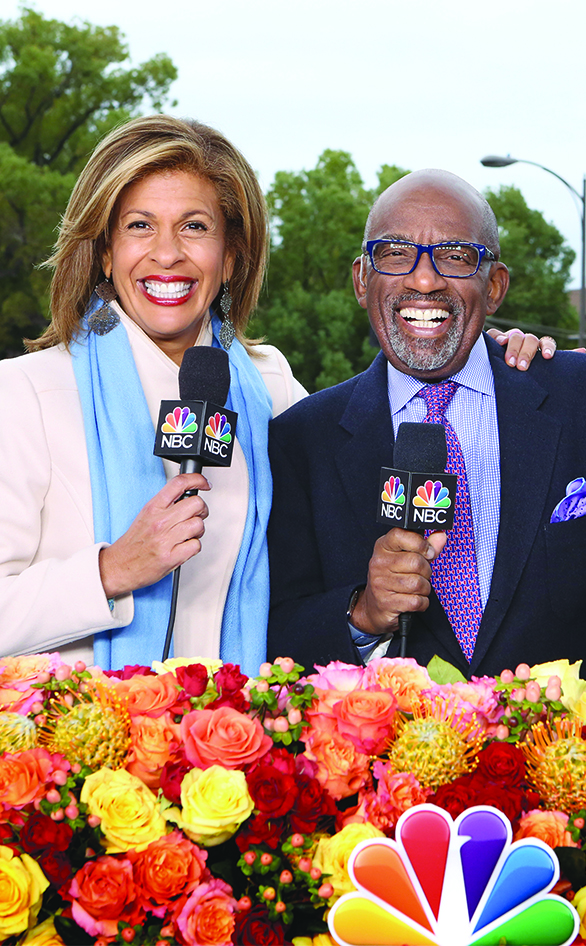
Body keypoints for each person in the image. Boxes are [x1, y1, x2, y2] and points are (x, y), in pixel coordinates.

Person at [0, 115, 305, 675]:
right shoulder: (25, 394)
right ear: (104, 253)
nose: (167, 254)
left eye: (194, 227)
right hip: (79, 749)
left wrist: (495, 364)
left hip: (235, 747)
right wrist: (111, 571)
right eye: (140, 226)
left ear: (231, 255)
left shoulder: (272, 387)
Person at [267, 168, 586, 679]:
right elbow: (274, 630)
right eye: (395, 253)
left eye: (456, 257)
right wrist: (363, 614)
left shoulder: (576, 396)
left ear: (495, 286)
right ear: (361, 280)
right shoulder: (300, 440)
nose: (423, 279)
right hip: (391, 752)